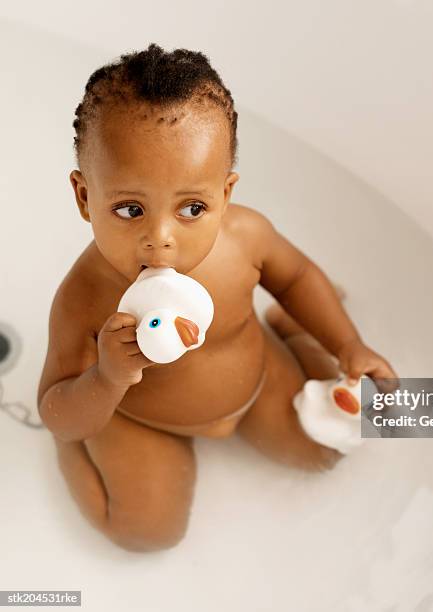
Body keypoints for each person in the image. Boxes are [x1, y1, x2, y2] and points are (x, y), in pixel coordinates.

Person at [37, 43, 398, 553]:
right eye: (128, 209)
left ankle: (290, 332)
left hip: (255, 381)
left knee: (325, 449)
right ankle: (75, 455)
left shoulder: (244, 237)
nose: (161, 237)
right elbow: (54, 406)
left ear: (225, 195)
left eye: (192, 208)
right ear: (84, 197)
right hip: (143, 418)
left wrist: (347, 344)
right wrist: (106, 378)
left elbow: (295, 278)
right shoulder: (84, 297)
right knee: (145, 533)